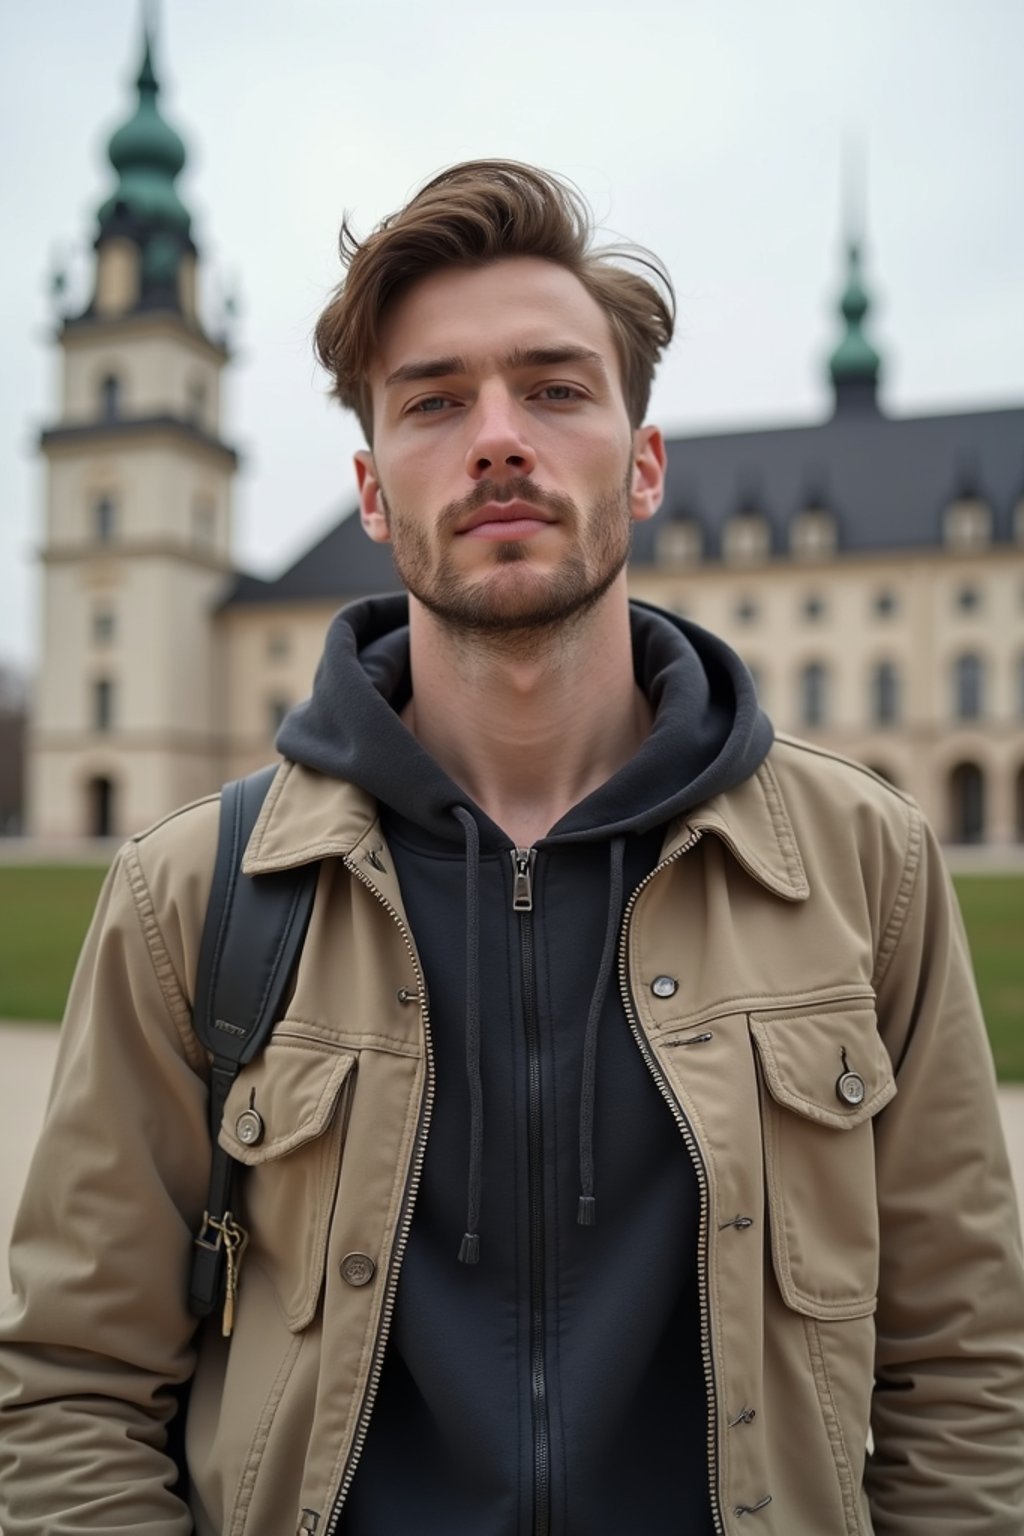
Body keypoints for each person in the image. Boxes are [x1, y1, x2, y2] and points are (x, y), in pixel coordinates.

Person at [1, 160, 1022, 1536]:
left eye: (553, 388)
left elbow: (964, 1369)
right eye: (434, 400)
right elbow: (74, 1381)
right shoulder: (194, 894)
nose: (496, 438)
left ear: (647, 463)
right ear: (369, 491)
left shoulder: (867, 862)